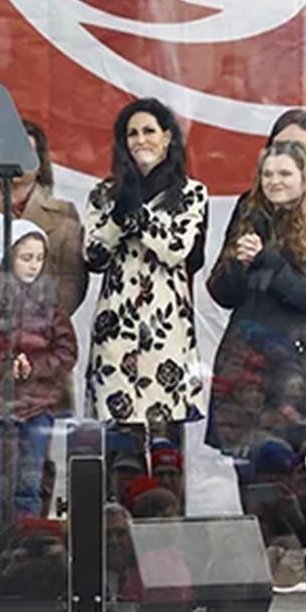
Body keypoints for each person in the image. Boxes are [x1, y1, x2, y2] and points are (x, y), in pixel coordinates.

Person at [207, 142, 306, 581]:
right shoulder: (250, 218)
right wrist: (237, 264)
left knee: (298, 461)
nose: (275, 182)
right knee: (247, 460)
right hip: (245, 357)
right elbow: (222, 293)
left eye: (284, 174)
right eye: (268, 175)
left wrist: (267, 256)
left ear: (304, 179)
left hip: (296, 362)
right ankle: (264, 550)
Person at [83, 99, 207, 435]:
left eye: (149, 131)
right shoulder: (104, 194)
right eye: (132, 134)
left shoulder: (191, 193)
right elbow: (94, 256)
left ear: (167, 137)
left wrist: (139, 214)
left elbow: (176, 249)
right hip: (116, 328)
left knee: (166, 438)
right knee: (121, 441)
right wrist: (117, 219)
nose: (141, 140)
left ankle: (165, 488)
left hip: (165, 328)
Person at [0, 217, 75, 522]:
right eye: (26, 258)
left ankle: (27, 542)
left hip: (37, 405)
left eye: (39, 258)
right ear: (7, 256)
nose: (33, 266)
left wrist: (35, 367)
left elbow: (67, 349)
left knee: (29, 482)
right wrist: (5, 366)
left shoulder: (49, 298)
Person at [0, 120, 87, 320]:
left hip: (44, 336)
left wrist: (46, 322)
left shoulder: (64, 213)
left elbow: (73, 279)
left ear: (40, 164)